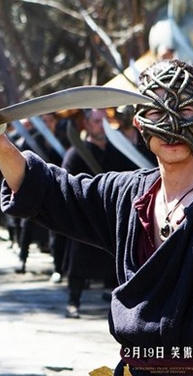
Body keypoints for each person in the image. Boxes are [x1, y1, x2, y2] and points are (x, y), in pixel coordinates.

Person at [0, 59, 193, 376]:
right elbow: (51, 191)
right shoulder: (126, 194)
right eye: (157, 111)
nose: (171, 125)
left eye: (185, 110)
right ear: (139, 123)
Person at [60, 108, 135, 318]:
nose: (100, 126)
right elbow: (66, 184)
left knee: (115, 260)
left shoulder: (118, 150)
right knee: (79, 259)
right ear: (86, 123)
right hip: (85, 215)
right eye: (95, 121)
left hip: (111, 216)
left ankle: (117, 303)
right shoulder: (76, 153)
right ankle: (73, 301)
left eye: (104, 121)